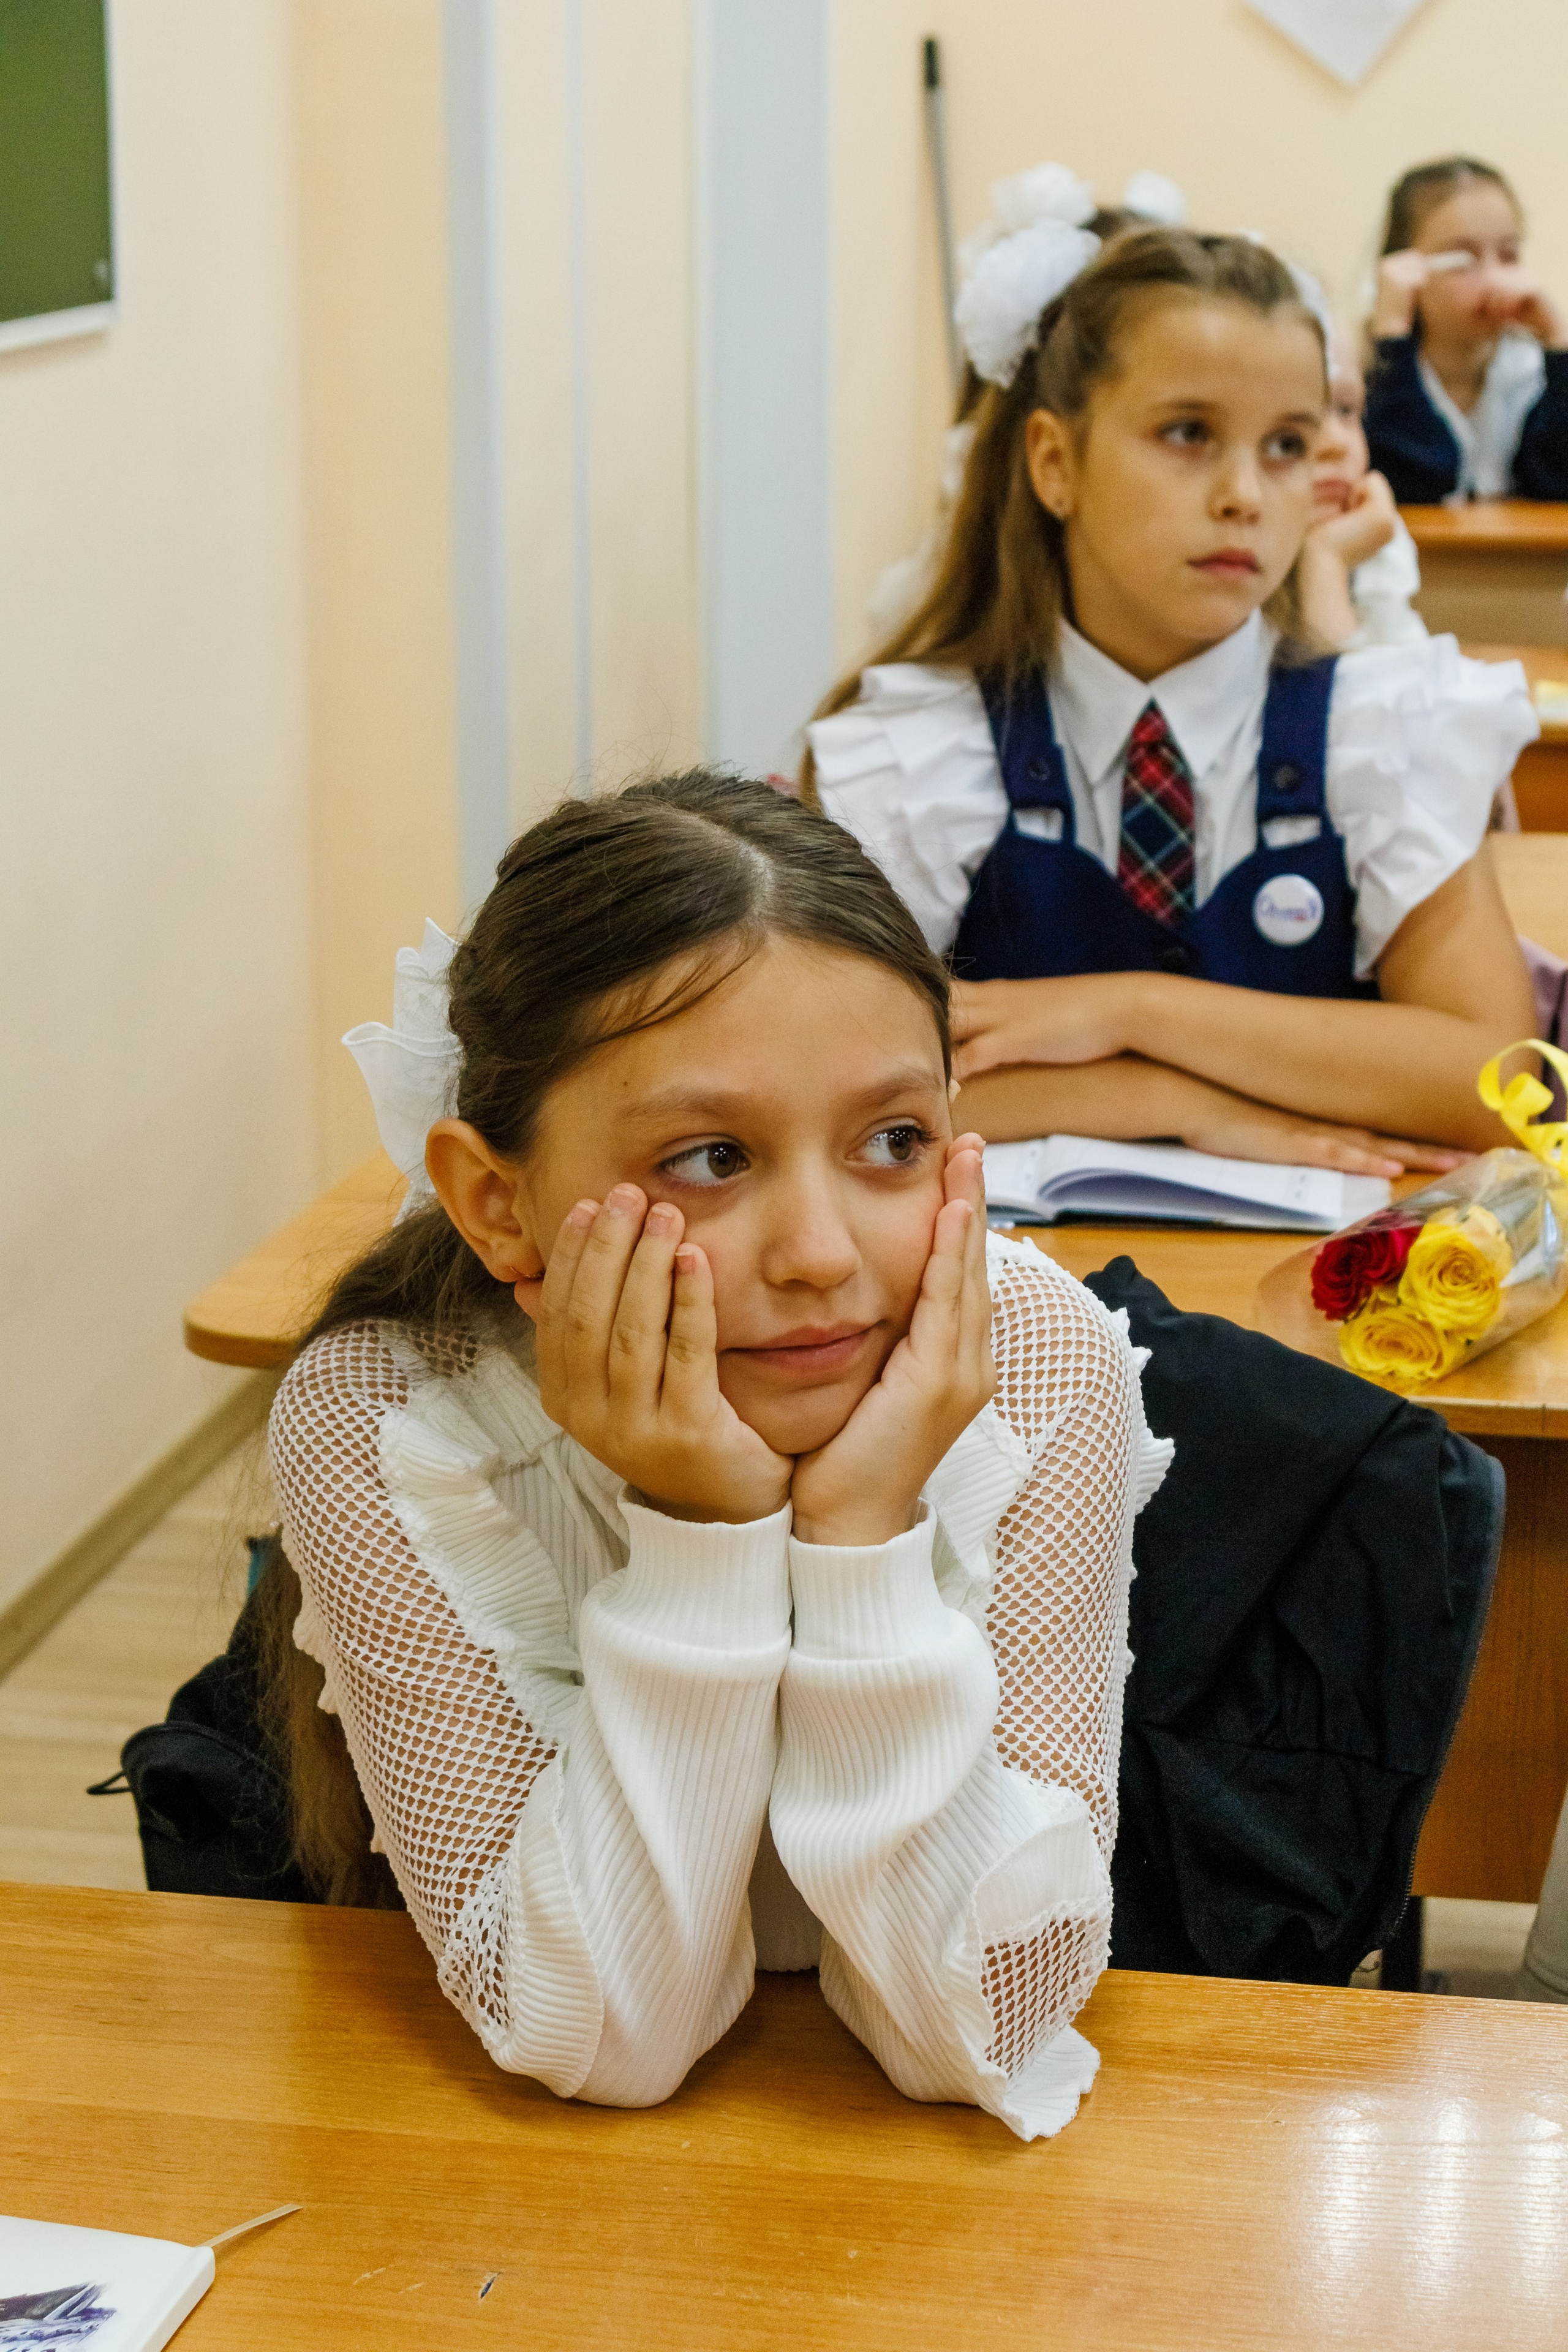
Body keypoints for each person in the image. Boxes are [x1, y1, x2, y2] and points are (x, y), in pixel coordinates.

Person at [257, 771, 1170, 2143]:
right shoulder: (388, 1416)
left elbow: (991, 2020)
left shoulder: (1036, 1359)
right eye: (706, 1158)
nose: (818, 1255)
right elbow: (604, 2034)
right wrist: (703, 1537)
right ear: (496, 1204)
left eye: (893, 1142)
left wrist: (858, 1541)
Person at [804, 225, 1537, 1168]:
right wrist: (1163, 1095)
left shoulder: (1384, 725)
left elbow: (1501, 1086)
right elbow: (842, 1094)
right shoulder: (916, 745)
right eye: (1188, 434)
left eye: (1286, 446)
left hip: (1308, 1287)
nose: (1244, 495)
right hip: (1018, 1294)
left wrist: (1125, 1008)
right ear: (1054, 462)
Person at [1363, 157, 1568, 504]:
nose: (1494, 281)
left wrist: (1560, 347)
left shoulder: (1532, 370)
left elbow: (1554, 482)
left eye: (1508, 255)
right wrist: (1392, 339)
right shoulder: (1371, 376)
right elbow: (1419, 481)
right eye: (1463, 260)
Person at [1298, 328, 1423, 649]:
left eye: (1346, 410)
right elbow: (1331, 697)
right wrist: (1325, 562)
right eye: (1298, 418)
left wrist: (1328, 553)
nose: (1337, 443)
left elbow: (1394, 683)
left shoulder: (1367, 530)